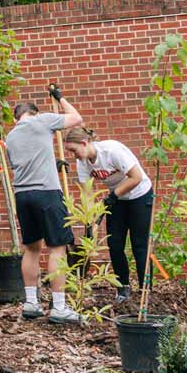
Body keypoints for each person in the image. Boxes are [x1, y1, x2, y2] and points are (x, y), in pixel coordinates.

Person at [3, 85, 81, 323]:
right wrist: (60, 97)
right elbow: (76, 119)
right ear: (34, 112)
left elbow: (22, 163)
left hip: (23, 196)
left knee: (32, 248)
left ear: (17, 118)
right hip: (47, 192)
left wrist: (51, 162)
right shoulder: (43, 121)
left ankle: (31, 303)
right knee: (57, 247)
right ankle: (58, 306)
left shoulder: (10, 136)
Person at [64, 126, 152, 303]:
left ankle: (145, 290)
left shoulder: (112, 151)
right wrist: (91, 222)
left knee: (139, 246)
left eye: (74, 150)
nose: (73, 155)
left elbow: (136, 177)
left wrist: (113, 196)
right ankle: (122, 289)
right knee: (115, 244)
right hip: (116, 199)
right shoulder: (82, 162)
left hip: (139, 195)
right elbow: (87, 194)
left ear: (85, 142)